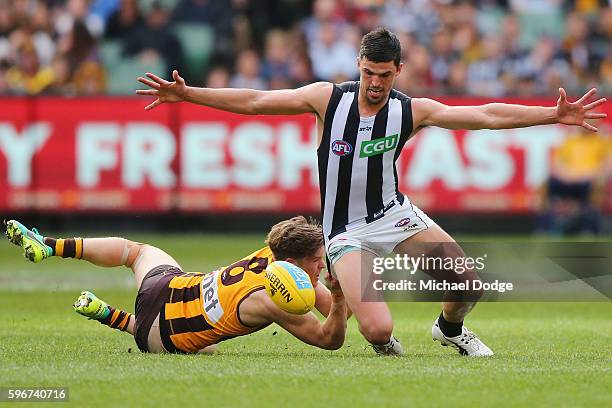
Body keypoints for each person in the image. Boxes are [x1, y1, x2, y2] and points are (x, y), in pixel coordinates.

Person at [135, 27, 608, 356]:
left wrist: (552, 114)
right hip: (344, 232)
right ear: (358, 65)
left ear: (398, 70)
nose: (376, 84)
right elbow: (257, 102)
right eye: (369, 73)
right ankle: (380, 338)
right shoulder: (327, 98)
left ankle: (450, 329)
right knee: (379, 330)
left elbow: (485, 116)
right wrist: (190, 93)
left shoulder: (412, 110)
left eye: (385, 75)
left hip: (393, 214)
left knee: (468, 282)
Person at [3, 217, 347, 354]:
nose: (322, 265)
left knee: (134, 251)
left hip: (163, 286)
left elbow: (333, 313)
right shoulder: (277, 297)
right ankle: (114, 317)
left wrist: (334, 298)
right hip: (158, 334)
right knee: (203, 349)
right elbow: (329, 339)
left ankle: (49, 245)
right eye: (318, 259)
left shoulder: (274, 256)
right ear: (295, 261)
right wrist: (339, 293)